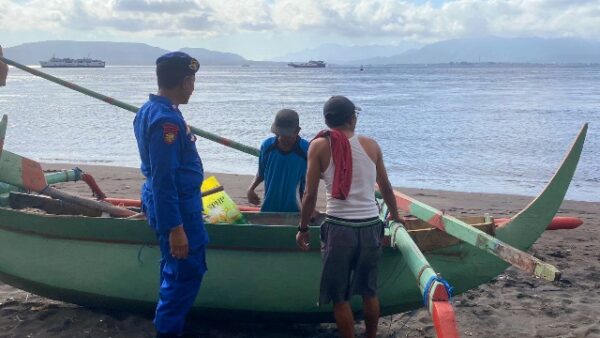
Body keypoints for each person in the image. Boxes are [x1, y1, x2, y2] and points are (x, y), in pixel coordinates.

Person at [296, 96, 401, 338]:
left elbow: (310, 195)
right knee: (369, 292)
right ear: (352, 119)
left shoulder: (319, 146)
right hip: (370, 226)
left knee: (339, 296)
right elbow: (385, 186)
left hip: (339, 230)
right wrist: (396, 218)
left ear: (328, 120)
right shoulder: (371, 145)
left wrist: (302, 228)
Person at [133, 51, 208, 338]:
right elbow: (165, 178)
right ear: (185, 81)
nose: (194, 87)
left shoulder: (150, 110)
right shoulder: (166, 121)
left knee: (174, 271)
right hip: (178, 209)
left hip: (168, 204)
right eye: (192, 80)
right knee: (183, 276)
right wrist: (176, 228)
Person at [247, 109, 309, 212]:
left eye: (287, 135)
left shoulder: (305, 149)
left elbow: (314, 179)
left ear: (297, 131)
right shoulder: (267, 147)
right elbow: (261, 173)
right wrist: (251, 189)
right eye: (279, 134)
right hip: (268, 208)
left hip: (295, 210)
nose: (282, 138)